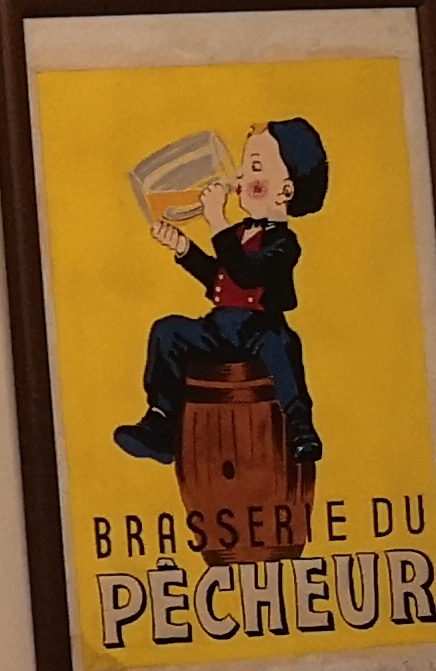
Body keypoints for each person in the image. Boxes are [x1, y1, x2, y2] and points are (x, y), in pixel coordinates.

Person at [117, 118, 330, 468]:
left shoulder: (283, 243)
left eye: (255, 167)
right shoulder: (239, 234)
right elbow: (221, 278)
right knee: (167, 331)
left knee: (281, 346)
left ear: (285, 192)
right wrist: (185, 249)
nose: (239, 177)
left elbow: (246, 275)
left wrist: (217, 221)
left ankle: (300, 427)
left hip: (259, 327)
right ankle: (161, 422)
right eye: (243, 166)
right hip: (220, 326)